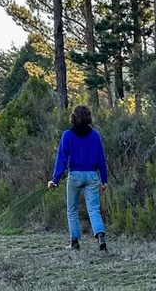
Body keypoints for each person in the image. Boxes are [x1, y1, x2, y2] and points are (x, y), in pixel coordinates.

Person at [48, 105, 109, 252]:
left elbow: (62, 159)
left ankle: (74, 242)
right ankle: (101, 237)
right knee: (94, 209)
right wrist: (104, 180)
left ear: (74, 117)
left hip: (75, 175)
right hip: (93, 175)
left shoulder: (67, 135)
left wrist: (54, 180)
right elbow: (101, 159)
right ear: (88, 116)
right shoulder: (95, 135)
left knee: (72, 210)